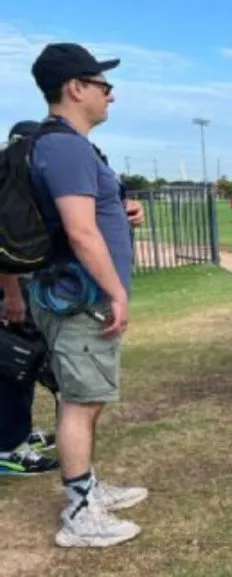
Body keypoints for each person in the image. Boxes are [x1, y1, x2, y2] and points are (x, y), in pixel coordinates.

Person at [27, 42, 149, 547]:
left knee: (87, 395)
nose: (110, 95)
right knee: (81, 400)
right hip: (80, 299)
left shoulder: (62, 145)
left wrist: (121, 212)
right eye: (103, 85)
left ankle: (89, 486)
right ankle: (79, 513)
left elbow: (86, 216)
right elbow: (80, 232)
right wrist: (116, 291)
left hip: (74, 293)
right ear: (74, 88)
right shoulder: (66, 146)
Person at [1, 126, 60, 475]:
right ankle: (10, 446)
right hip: (13, 289)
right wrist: (11, 296)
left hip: (24, 286)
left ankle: (17, 431)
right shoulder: (10, 185)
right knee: (15, 364)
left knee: (25, 364)